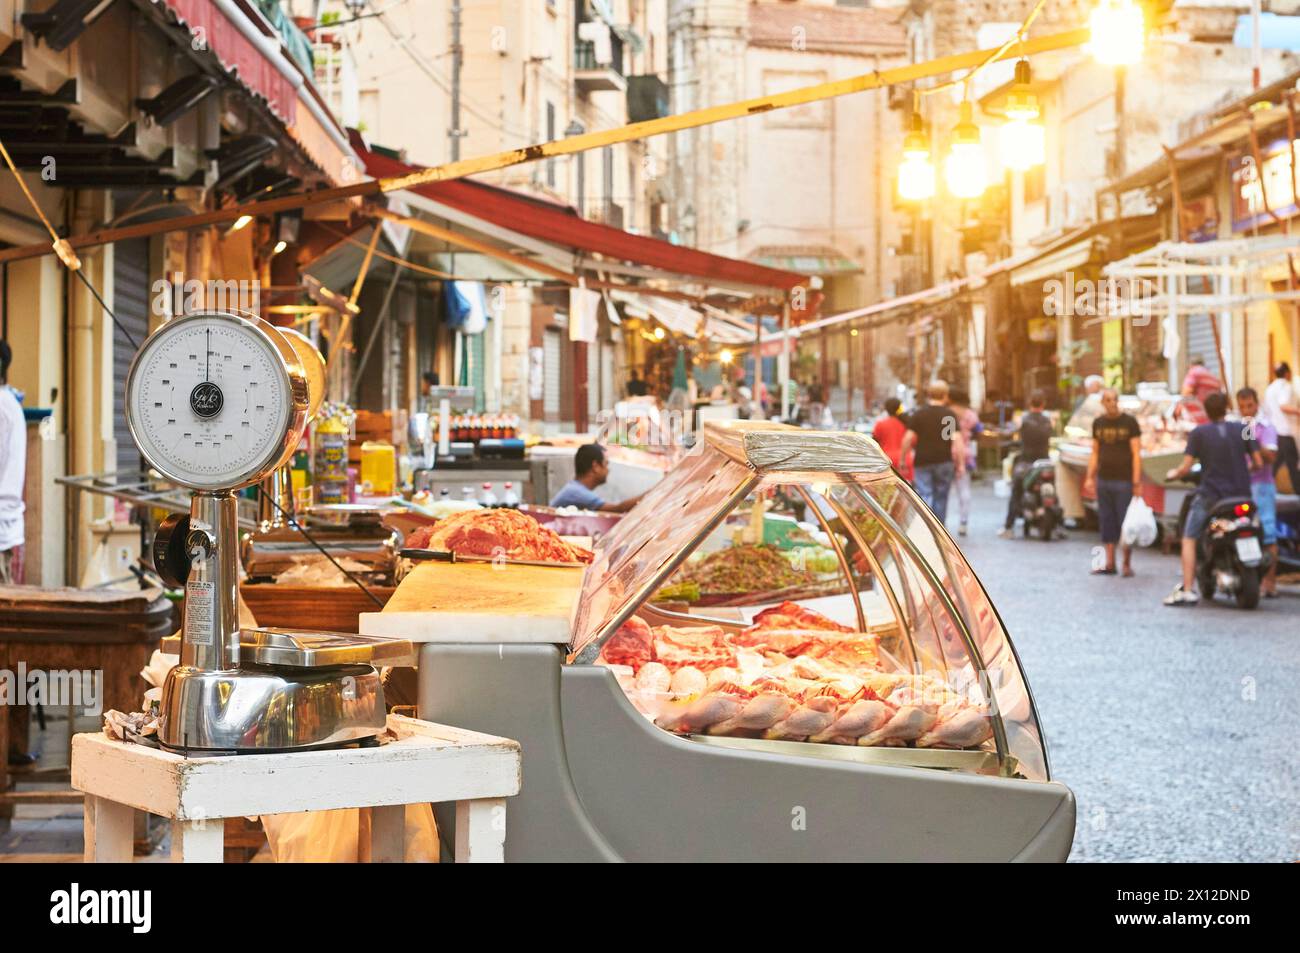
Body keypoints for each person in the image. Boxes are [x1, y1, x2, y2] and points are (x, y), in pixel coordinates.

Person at [1164, 391, 1260, 606]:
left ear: (1206, 411)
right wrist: (1245, 470)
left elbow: (1185, 467)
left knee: (1189, 537)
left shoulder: (1199, 433)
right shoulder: (1244, 429)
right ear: (1227, 407)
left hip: (1212, 496)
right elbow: (1258, 461)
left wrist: (1173, 473)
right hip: (1243, 495)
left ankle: (1187, 588)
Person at [0, 340, 32, 767]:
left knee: (5, 644)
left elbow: (9, 482)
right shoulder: (10, 405)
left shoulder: (5, 408)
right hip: (7, 532)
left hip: (1, 534)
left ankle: (8, 745)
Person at [1081, 388, 1141, 576]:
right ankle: (1109, 562)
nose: (1112, 403)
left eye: (1115, 399)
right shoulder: (1098, 423)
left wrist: (1136, 481)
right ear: (1103, 402)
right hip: (1104, 479)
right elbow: (1095, 452)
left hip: (1124, 481)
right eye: (1108, 400)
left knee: (1125, 523)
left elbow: (1136, 454)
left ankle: (1126, 564)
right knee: (1107, 521)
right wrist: (1090, 477)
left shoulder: (1130, 422)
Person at [1237, 387, 1280, 598]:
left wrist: (1255, 442)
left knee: (1268, 534)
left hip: (1262, 486)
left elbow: (1270, 457)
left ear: (1257, 404)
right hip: (1243, 487)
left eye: (1249, 406)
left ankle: (1270, 582)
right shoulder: (1242, 427)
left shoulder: (1266, 427)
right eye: (1242, 406)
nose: (1246, 410)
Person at [999, 390, 1054, 539]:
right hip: (1045, 463)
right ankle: (1058, 525)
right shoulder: (1050, 420)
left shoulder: (1022, 419)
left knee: (1016, 492)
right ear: (1043, 404)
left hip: (1026, 463)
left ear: (1030, 403)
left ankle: (1008, 527)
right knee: (1055, 491)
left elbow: (1010, 432)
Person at [902, 380, 958, 524]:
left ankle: (926, 527)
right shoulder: (948, 415)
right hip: (944, 460)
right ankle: (940, 529)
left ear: (928, 395)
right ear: (945, 396)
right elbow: (954, 440)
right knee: (941, 496)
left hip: (923, 460)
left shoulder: (920, 414)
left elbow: (908, 438)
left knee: (925, 494)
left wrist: (903, 459)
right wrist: (960, 462)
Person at [550, 443, 644, 513]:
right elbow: (617, 509)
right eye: (606, 464)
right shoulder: (576, 492)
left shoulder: (575, 488)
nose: (608, 470)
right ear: (595, 467)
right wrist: (651, 494)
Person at [1261, 361, 1300, 493]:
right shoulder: (1286, 386)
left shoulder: (1269, 389)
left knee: (1277, 462)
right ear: (1287, 373)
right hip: (1286, 431)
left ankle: (1263, 485)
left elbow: (1266, 411)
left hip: (1273, 432)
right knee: (1293, 465)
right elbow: (1283, 405)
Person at [948, 389, 982, 537]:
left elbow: (946, 436)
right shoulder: (971, 415)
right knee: (964, 490)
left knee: (945, 491)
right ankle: (963, 522)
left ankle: (941, 522)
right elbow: (978, 432)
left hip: (948, 455)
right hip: (966, 454)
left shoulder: (947, 414)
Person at [871, 397, 911, 480]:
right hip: (905, 460)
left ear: (886, 409)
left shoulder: (880, 424)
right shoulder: (906, 423)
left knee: (888, 491)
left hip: (887, 461)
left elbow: (874, 443)